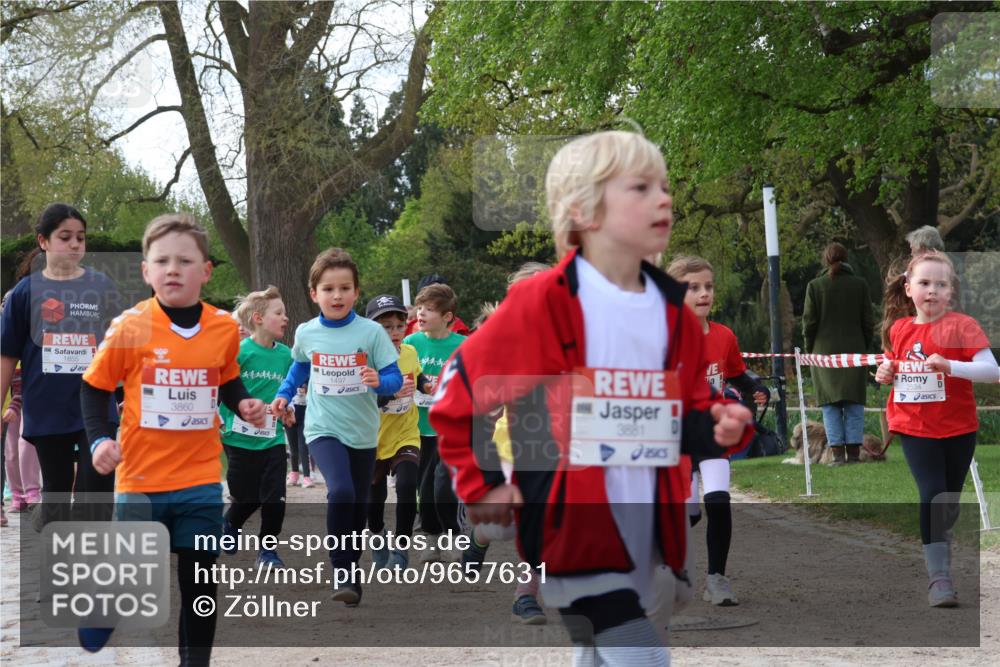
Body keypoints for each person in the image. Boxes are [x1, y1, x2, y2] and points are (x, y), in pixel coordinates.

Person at [431, 130, 754, 665]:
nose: (665, 199)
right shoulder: (540, 303)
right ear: (584, 212)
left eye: (664, 186)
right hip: (570, 518)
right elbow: (456, 397)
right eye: (641, 188)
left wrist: (717, 422)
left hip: (653, 518)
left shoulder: (672, 312)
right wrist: (482, 484)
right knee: (640, 654)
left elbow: (682, 412)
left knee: (611, 644)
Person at [81, 213, 267, 664]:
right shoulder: (129, 326)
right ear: (146, 271)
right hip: (141, 477)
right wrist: (98, 441)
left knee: (200, 580)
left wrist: (242, 402)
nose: (172, 269)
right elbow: (94, 387)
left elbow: (227, 377)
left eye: (185, 260)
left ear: (205, 271)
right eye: (161, 260)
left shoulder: (223, 328)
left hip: (200, 478)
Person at [271, 248, 402, 607]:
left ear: (356, 293)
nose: (337, 295)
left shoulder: (372, 332)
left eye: (345, 288)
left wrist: (379, 381)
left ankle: (352, 572)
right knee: (341, 491)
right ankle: (341, 569)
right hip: (322, 428)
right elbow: (299, 367)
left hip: (362, 431)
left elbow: (393, 378)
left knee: (358, 507)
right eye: (328, 289)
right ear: (314, 294)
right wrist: (284, 393)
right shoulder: (307, 332)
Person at [875, 250, 996, 607]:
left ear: (951, 291)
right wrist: (886, 373)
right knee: (932, 493)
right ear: (908, 288)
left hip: (958, 428)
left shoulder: (963, 326)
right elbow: (892, 365)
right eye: (924, 283)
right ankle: (939, 579)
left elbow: (992, 371)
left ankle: (940, 543)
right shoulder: (899, 328)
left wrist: (952, 367)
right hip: (914, 427)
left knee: (949, 501)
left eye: (940, 284)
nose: (932, 290)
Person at [0, 203, 121, 525]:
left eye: (80, 238)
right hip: (47, 406)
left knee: (95, 490)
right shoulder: (25, 292)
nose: (74, 244)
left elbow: (120, 347)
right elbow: (7, 355)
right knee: (56, 491)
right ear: (43, 242)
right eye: (65, 237)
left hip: (96, 404)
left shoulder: (102, 286)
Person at [666, 255, 769, 607]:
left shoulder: (724, 336)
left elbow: (737, 373)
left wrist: (757, 386)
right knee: (687, 514)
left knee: (719, 503)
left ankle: (716, 579)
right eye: (692, 287)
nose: (703, 293)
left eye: (708, 286)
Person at [219, 286, 294, 568]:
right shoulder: (240, 352)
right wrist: (217, 415)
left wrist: (288, 410)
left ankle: (268, 550)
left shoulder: (285, 355)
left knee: (275, 495)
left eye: (285, 313)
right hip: (238, 438)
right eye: (279, 313)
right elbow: (222, 387)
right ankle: (230, 522)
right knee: (246, 495)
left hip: (272, 437)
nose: (285, 318)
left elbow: (288, 392)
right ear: (259, 318)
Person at [364, 294, 431, 571]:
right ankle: (377, 536)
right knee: (374, 499)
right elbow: (363, 400)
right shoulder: (366, 361)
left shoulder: (410, 353)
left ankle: (401, 547)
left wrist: (424, 386)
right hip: (372, 437)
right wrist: (389, 396)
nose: (394, 333)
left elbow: (417, 374)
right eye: (386, 327)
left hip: (406, 433)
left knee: (406, 486)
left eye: (399, 326)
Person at [403, 283, 468, 563]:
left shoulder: (463, 347)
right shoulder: (411, 345)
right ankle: (431, 538)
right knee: (424, 489)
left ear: (448, 316)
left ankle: (454, 535)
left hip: (450, 429)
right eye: (419, 308)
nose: (421, 314)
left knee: (443, 487)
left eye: (429, 309)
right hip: (417, 427)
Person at [802, 242, 876, 465]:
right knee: (853, 402)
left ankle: (837, 456)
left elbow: (808, 323)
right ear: (847, 259)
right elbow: (868, 322)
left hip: (823, 352)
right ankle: (854, 455)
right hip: (855, 350)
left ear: (826, 260)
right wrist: (864, 346)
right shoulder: (860, 285)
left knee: (830, 403)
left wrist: (809, 349)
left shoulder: (815, 286)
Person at [403, 275, 471, 336]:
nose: (421, 312)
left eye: (429, 309)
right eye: (420, 307)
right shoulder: (405, 334)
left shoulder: (462, 336)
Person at [285, 382, 315, 488]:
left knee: (303, 447)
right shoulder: (290, 376)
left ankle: (307, 477)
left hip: (304, 416)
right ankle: (294, 474)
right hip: (289, 414)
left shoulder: (308, 374)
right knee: (293, 448)